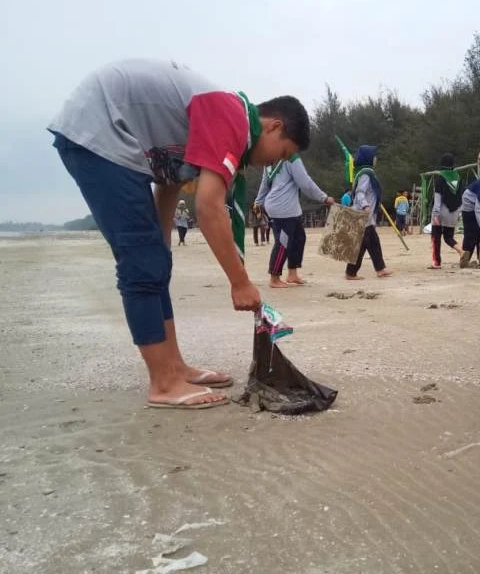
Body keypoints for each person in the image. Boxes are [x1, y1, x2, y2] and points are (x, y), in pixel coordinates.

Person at [48, 59, 311, 410]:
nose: (273, 162)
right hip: (99, 131)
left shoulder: (220, 118)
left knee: (156, 260)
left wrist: (161, 246)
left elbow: (169, 182)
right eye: (283, 152)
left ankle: (175, 367)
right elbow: (208, 206)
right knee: (140, 262)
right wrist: (240, 282)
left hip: (115, 133)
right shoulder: (231, 118)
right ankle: (163, 382)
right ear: (274, 126)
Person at [254, 156, 334, 288]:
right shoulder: (291, 159)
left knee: (299, 239)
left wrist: (259, 202)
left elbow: (264, 183)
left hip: (288, 208)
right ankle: (274, 277)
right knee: (283, 243)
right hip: (283, 208)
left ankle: (292, 273)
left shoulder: (270, 158)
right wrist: (324, 198)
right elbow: (305, 183)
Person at [345, 145, 391, 280]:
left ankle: (380, 269)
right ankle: (351, 272)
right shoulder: (366, 174)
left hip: (366, 216)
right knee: (362, 244)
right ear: (368, 158)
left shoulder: (366, 172)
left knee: (373, 242)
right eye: (374, 155)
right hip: (363, 214)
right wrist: (365, 206)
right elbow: (360, 192)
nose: (376, 158)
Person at [430, 153, 464, 268]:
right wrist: (459, 213)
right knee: (448, 237)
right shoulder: (458, 177)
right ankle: (461, 251)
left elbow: (437, 199)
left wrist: (435, 215)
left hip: (441, 211)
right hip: (454, 212)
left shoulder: (440, 178)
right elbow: (462, 197)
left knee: (436, 237)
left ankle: (436, 262)